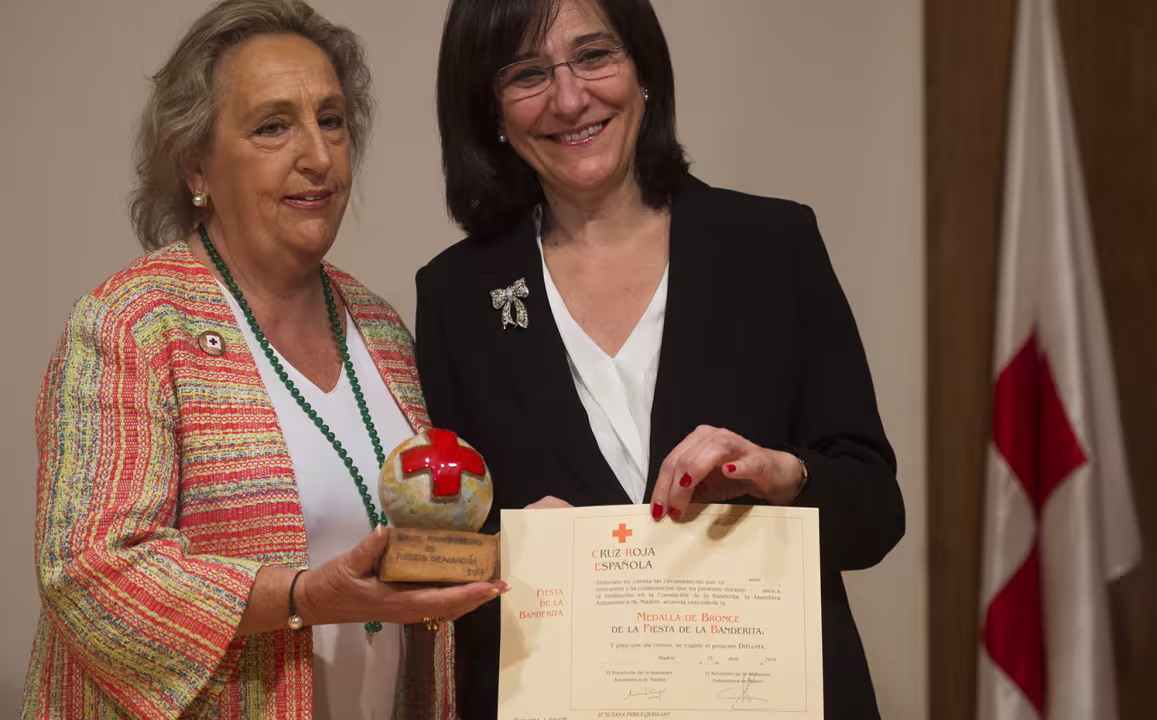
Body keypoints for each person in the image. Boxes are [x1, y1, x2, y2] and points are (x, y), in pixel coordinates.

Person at [416, 0, 906, 717]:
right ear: (488, 109)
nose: (571, 97)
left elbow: (876, 511)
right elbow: (440, 551)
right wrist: (506, 551)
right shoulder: (456, 293)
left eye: (594, 56)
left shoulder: (774, 246)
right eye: (526, 74)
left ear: (643, 68)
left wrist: (782, 475)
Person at [23, 1, 505, 717]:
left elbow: (421, 524)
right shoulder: (134, 323)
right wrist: (302, 598)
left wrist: (515, 545)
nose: (317, 155)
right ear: (196, 165)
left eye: (332, 120)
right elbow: (92, 575)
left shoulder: (377, 325)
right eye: (273, 126)